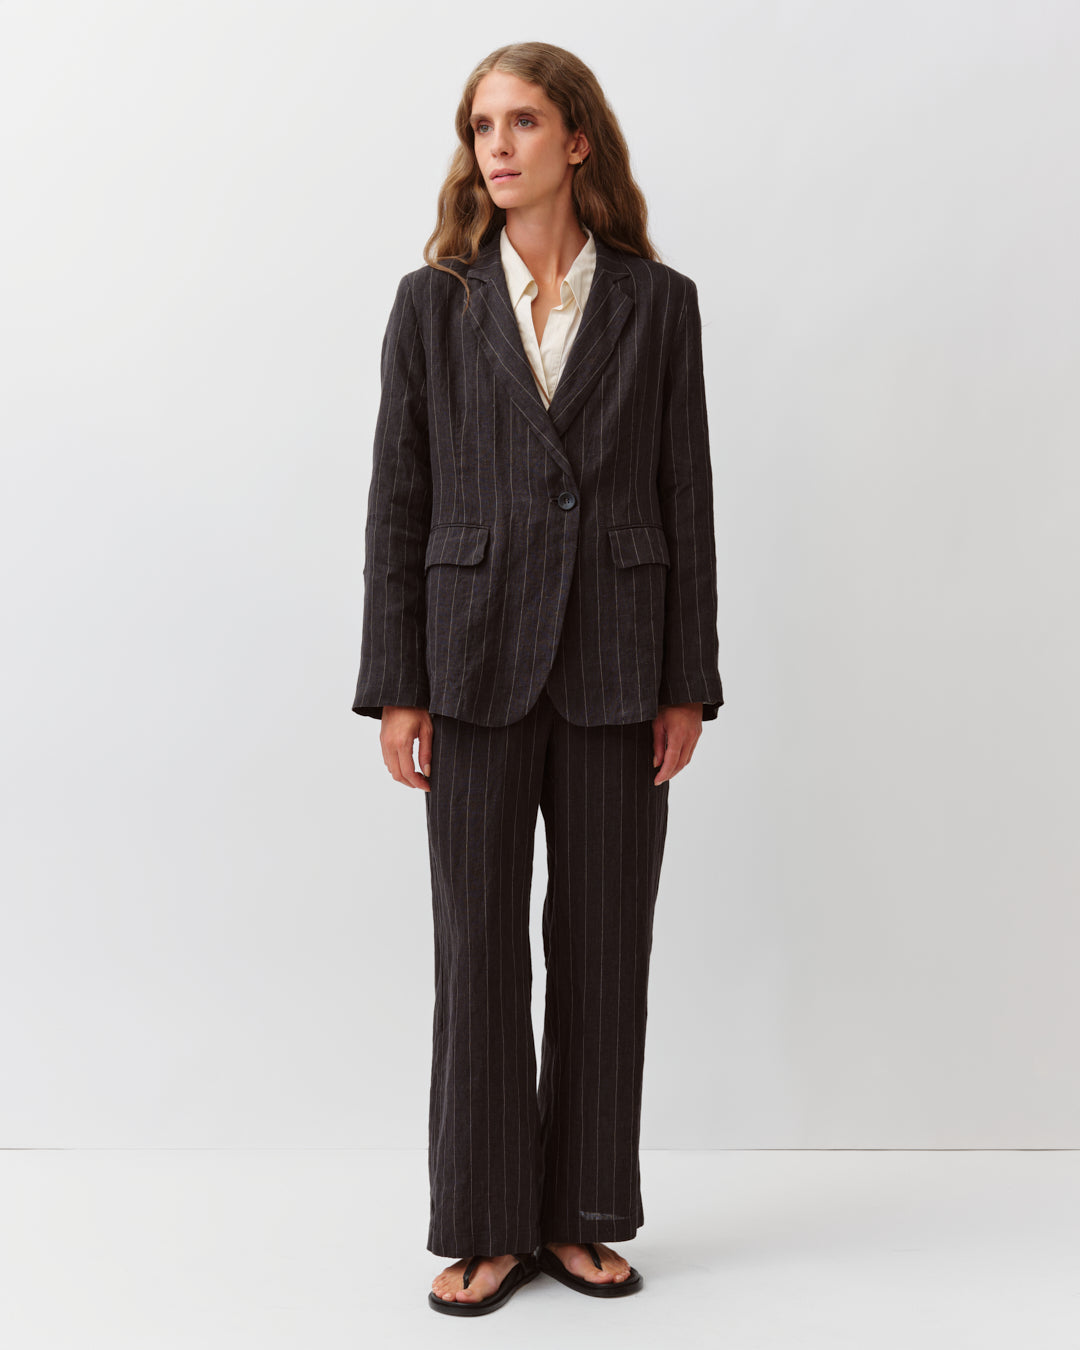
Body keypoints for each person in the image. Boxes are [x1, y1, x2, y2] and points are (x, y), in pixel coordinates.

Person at [351, 41, 724, 1316]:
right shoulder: (434, 302)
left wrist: (687, 679)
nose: (496, 147)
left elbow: (687, 494)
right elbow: (398, 502)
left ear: (577, 139)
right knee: (478, 954)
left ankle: (582, 1216)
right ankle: (486, 1220)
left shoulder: (659, 304)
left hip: (622, 665)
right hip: (470, 663)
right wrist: (399, 682)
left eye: (521, 122)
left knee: (605, 947)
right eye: (480, 127)